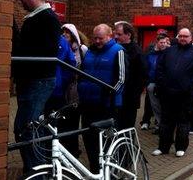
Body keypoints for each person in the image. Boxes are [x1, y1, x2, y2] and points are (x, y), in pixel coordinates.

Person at [13, 0, 61, 172]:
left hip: (38, 81)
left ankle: (37, 172)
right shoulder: (34, 18)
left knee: (28, 128)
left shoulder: (47, 18)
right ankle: (35, 170)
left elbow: (42, 51)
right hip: (30, 81)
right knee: (25, 128)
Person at [78, 24, 126, 173]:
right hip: (88, 103)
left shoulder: (118, 51)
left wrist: (110, 94)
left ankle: (110, 172)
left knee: (106, 141)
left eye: (101, 38)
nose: (97, 41)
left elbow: (122, 79)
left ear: (109, 36)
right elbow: (82, 73)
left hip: (106, 105)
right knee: (89, 138)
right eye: (95, 38)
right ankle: (95, 171)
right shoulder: (90, 52)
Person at [152, 28, 193, 157]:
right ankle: (163, 147)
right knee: (166, 121)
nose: (182, 38)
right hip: (167, 93)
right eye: (180, 36)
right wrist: (163, 84)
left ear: (191, 38)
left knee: (183, 121)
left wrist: (189, 86)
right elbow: (159, 68)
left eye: (185, 36)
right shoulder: (169, 51)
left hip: (185, 94)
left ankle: (180, 147)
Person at [60, 23, 88, 157]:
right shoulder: (61, 47)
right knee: (63, 118)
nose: (65, 34)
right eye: (63, 32)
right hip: (64, 87)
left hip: (77, 88)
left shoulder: (82, 50)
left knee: (74, 118)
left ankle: (74, 148)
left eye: (67, 32)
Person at [114, 21, 147, 130]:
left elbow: (142, 75)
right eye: (115, 34)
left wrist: (134, 94)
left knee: (126, 126)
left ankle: (127, 146)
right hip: (116, 94)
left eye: (119, 34)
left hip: (129, 97)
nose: (116, 36)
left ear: (128, 35)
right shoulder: (114, 48)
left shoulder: (136, 51)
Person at [143, 34, 168, 134]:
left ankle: (164, 126)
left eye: (165, 42)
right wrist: (147, 82)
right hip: (152, 84)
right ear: (157, 42)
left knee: (164, 106)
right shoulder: (150, 54)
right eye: (161, 42)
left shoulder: (169, 53)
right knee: (155, 106)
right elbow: (147, 68)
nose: (163, 44)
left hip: (165, 85)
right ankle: (160, 125)